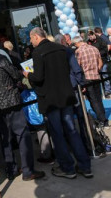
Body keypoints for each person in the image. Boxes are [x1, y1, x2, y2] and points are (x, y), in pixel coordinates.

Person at [24, 27, 92, 180]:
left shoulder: (38, 52)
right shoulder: (62, 49)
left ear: (36, 37)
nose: (30, 41)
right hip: (65, 96)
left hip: (51, 99)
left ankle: (68, 168)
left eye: (30, 38)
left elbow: (39, 77)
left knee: (58, 134)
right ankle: (85, 166)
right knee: (72, 130)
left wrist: (29, 75)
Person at [0, 35, 45, 182]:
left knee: (5, 137)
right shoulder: (1, 59)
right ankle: (28, 170)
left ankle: (11, 169)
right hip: (12, 102)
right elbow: (15, 75)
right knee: (22, 135)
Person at [73, 36, 109, 128]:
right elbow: (100, 63)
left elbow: (78, 66)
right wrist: (96, 70)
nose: (75, 46)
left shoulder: (78, 51)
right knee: (98, 99)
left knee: (93, 100)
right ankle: (103, 119)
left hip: (86, 77)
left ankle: (102, 120)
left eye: (75, 44)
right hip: (96, 76)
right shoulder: (94, 48)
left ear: (77, 43)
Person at [89, 29, 111, 97]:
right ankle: (100, 92)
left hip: (103, 60)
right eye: (89, 36)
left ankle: (107, 91)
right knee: (98, 77)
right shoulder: (89, 42)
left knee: (105, 76)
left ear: (94, 35)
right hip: (94, 62)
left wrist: (97, 54)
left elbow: (105, 50)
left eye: (91, 36)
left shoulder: (101, 40)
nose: (90, 37)